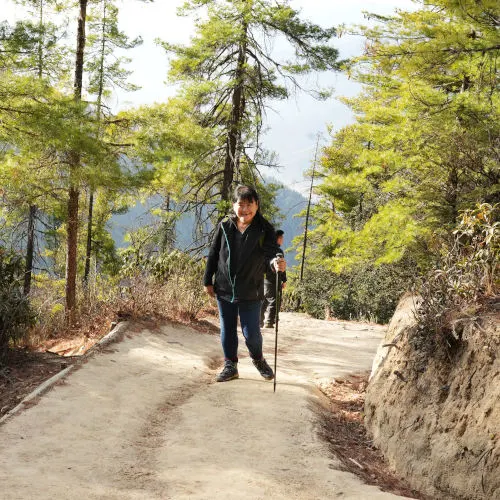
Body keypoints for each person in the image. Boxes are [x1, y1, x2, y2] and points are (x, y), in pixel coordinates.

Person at [203, 185, 287, 382]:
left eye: (250, 204)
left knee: (251, 334)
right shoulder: (225, 225)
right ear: (234, 205)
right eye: (241, 204)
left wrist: (276, 263)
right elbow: (214, 253)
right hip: (224, 288)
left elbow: (272, 253)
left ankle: (258, 359)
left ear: (257, 206)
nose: (245, 209)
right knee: (227, 329)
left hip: (251, 290)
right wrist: (208, 279)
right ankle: (230, 365)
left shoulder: (264, 229)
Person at [260, 229, 287, 328]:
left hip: (263, 279)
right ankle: (269, 322)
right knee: (274, 300)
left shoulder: (264, 249)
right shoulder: (278, 252)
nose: (282, 240)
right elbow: (282, 268)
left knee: (265, 300)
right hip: (273, 279)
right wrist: (284, 280)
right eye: (281, 238)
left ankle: (259, 321)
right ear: (278, 239)